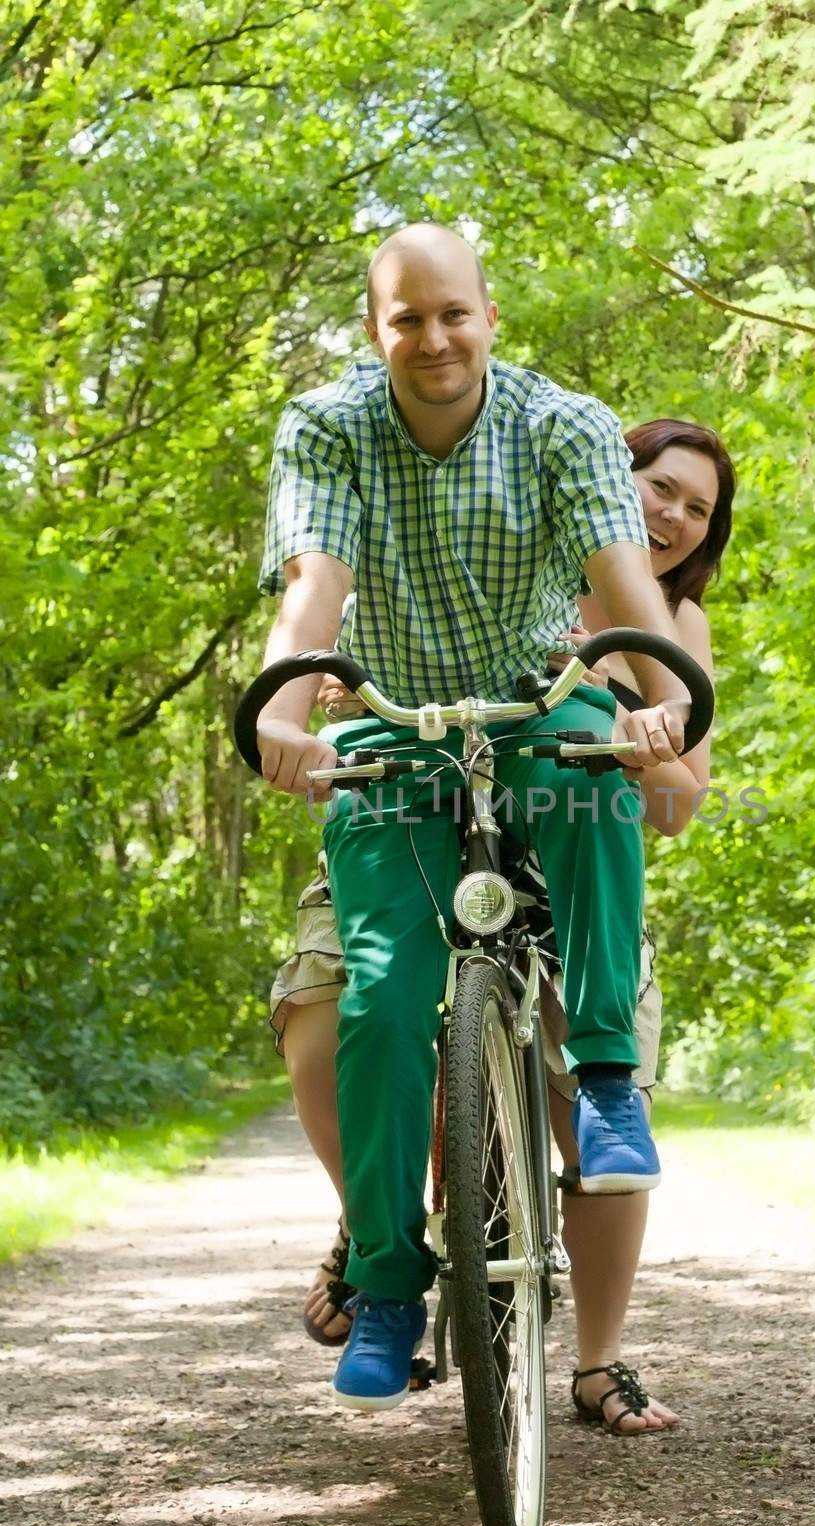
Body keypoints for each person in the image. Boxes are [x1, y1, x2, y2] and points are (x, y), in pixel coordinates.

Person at [255, 221, 701, 1414]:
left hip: (533, 704)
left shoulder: (561, 427)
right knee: (384, 995)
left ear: (490, 316)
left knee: (592, 767)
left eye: (454, 313)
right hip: (394, 723)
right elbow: (313, 598)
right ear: (374, 331)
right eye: (407, 318)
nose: (433, 337)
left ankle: (600, 1075)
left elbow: (622, 588)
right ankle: (392, 1283)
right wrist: (284, 714)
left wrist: (661, 708)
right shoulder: (328, 428)